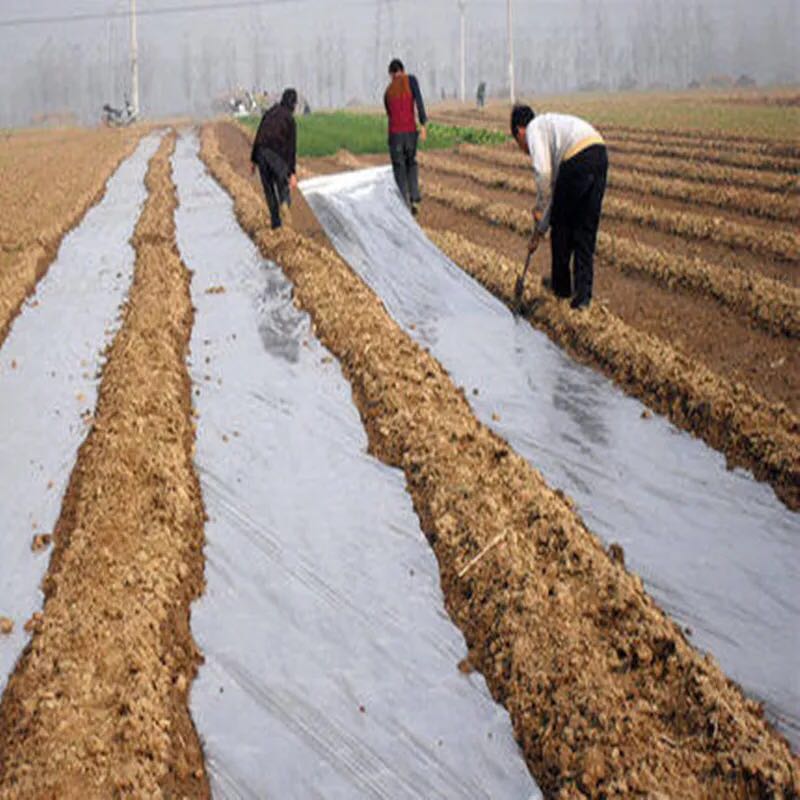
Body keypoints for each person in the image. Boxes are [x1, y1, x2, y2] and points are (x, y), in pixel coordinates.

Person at [510, 104, 608, 310]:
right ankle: (582, 297)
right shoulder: (551, 129)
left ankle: (561, 291)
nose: (524, 150)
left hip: (577, 157)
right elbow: (556, 196)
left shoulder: (534, 129)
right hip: (599, 152)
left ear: (520, 131)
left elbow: (544, 177)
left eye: (519, 144)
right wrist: (539, 232)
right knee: (584, 231)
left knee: (562, 229)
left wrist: (539, 211)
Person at [383, 59, 428, 214]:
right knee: (411, 164)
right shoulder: (411, 81)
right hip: (410, 133)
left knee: (399, 168)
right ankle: (415, 199)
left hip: (395, 135)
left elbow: (389, 114)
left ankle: (403, 204)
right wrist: (423, 125)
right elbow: (419, 102)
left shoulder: (388, 92)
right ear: (403, 69)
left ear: (391, 74)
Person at [250, 88, 298, 230]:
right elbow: (291, 148)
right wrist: (292, 173)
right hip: (276, 155)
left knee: (269, 190)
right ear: (293, 104)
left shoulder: (270, 112)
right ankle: (284, 203)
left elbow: (259, 134)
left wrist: (253, 160)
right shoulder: (290, 119)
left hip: (261, 153)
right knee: (283, 184)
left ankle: (276, 225)